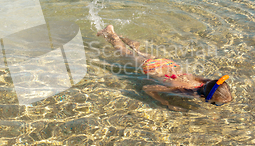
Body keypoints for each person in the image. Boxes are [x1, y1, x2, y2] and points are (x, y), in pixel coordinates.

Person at [97, 24, 232, 111]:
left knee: (137, 51)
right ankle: (109, 33)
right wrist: (166, 103)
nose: (216, 105)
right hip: (151, 68)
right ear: (207, 98)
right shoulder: (180, 87)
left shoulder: (203, 81)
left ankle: (123, 37)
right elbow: (147, 88)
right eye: (216, 104)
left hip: (167, 64)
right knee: (125, 53)